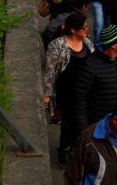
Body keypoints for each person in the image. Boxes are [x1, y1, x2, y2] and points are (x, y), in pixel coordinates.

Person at [43, 10, 94, 163]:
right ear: (73, 30)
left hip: (85, 92)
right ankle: (65, 148)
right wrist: (47, 94)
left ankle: (76, 148)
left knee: (83, 122)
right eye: (84, 28)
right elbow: (50, 72)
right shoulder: (57, 46)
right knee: (68, 122)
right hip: (66, 92)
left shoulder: (88, 45)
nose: (87, 30)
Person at [73, 25, 117, 132]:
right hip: (99, 126)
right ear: (113, 45)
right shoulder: (90, 66)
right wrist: (84, 129)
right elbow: (80, 99)